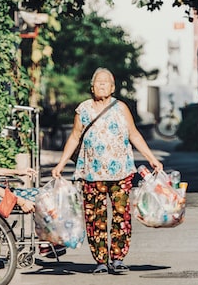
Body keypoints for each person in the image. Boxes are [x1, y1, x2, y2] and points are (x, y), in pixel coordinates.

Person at [51, 67, 163, 274]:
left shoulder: (121, 108)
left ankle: (118, 258)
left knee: (122, 215)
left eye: (106, 82)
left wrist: (152, 159)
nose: (102, 85)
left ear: (112, 87)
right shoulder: (83, 109)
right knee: (95, 217)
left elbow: (134, 135)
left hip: (121, 172)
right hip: (91, 173)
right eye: (98, 82)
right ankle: (101, 260)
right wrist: (61, 164)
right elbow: (75, 137)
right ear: (92, 87)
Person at [0, 115, 66, 258]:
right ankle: (46, 242)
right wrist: (21, 201)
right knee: (44, 195)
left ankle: (47, 241)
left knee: (43, 193)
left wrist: (18, 171)